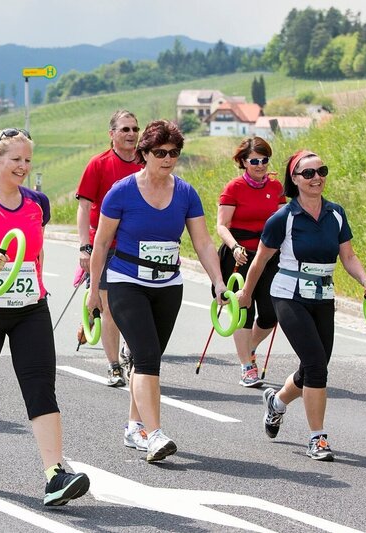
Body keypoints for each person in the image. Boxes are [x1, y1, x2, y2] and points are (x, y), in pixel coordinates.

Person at [0, 128, 89, 506]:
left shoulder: (38, 203)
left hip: (30, 309)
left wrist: (38, 285)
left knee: (41, 387)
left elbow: (36, 251)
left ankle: (55, 474)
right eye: (16, 160)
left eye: (28, 160)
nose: (24, 167)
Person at [87, 120, 226, 462]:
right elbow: (101, 243)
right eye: (160, 152)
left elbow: (204, 242)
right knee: (147, 355)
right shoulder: (121, 191)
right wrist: (93, 291)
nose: (168, 159)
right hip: (125, 282)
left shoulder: (186, 193)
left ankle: (134, 427)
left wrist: (219, 283)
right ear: (144, 154)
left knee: (147, 358)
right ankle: (155, 434)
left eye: (174, 153)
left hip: (167, 284)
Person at [237, 150, 366, 462]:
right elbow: (261, 259)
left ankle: (276, 402)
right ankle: (317, 438)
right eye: (308, 173)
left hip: (323, 295)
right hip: (288, 294)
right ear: (295, 180)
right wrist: (246, 293)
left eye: (321, 171)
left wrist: (365, 281)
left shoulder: (336, 214)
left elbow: (348, 256)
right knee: (315, 365)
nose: (317, 178)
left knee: (316, 367)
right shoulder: (282, 219)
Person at [75, 110, 143, 387]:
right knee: (110, 309)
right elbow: (84, 207)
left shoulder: (146, 162)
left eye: (135, 129)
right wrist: (84, 246)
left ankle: (132, 351)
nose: (131, 134)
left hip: (138, 246)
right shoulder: (99, 164)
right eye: (125, 129)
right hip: (106, 246)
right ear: (112, 134)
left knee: (137, 306)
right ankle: (114, 365)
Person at [215, 136, 286, 388]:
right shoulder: (234, 188)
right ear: (243, 162)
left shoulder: (276, 188)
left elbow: (282, 222)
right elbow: (222, 226)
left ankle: (251, 346)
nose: (260, 165)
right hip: (239, 252)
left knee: (273, 312)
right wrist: (234, 247)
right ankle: (247, 366)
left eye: (264, 160)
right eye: (254, 160)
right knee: (244, 309)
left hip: (268, 254)